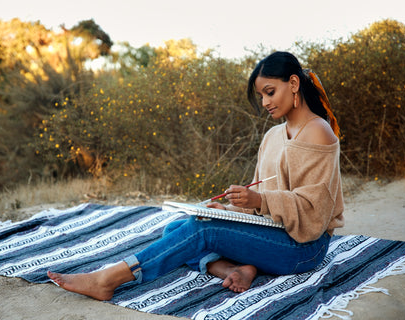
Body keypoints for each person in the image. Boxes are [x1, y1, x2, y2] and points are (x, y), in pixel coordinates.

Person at [47, 51, 345, 300]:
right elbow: (261, 198)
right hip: (274, 231)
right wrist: (230, 210)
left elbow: (312, 214)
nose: (265, 102)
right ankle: (233, 270)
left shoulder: (318, 132)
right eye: (261, 96)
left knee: (200, 234)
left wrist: (258, 199)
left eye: (270, 92)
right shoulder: (273, 136)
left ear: (293, 83)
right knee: (179, 228)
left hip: (304, 248)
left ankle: (109, 279)